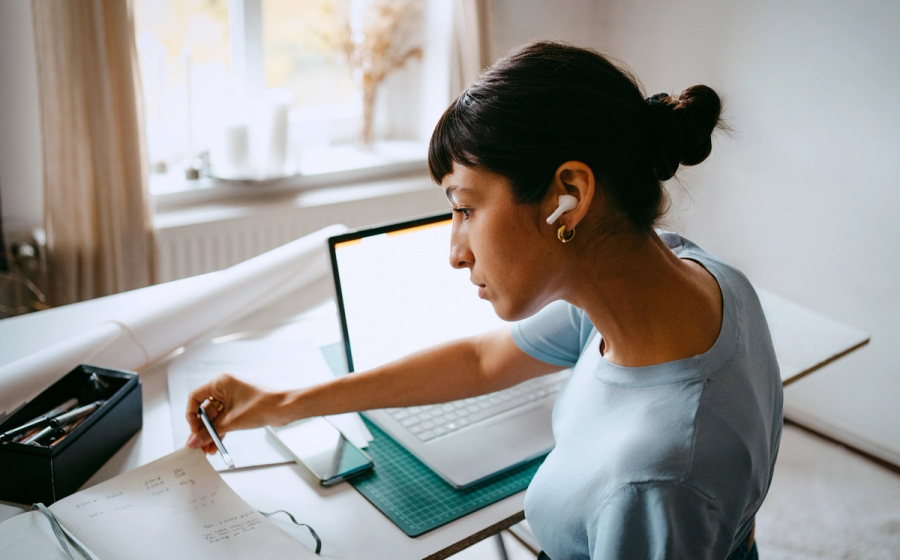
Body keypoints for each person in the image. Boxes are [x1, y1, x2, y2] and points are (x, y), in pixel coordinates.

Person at [186, 41, 783, 560]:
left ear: (568, 195)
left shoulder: (654, 480)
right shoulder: (692, 276)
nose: (456, 251)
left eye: (465, 208)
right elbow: (482, 360)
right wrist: (282, 403)